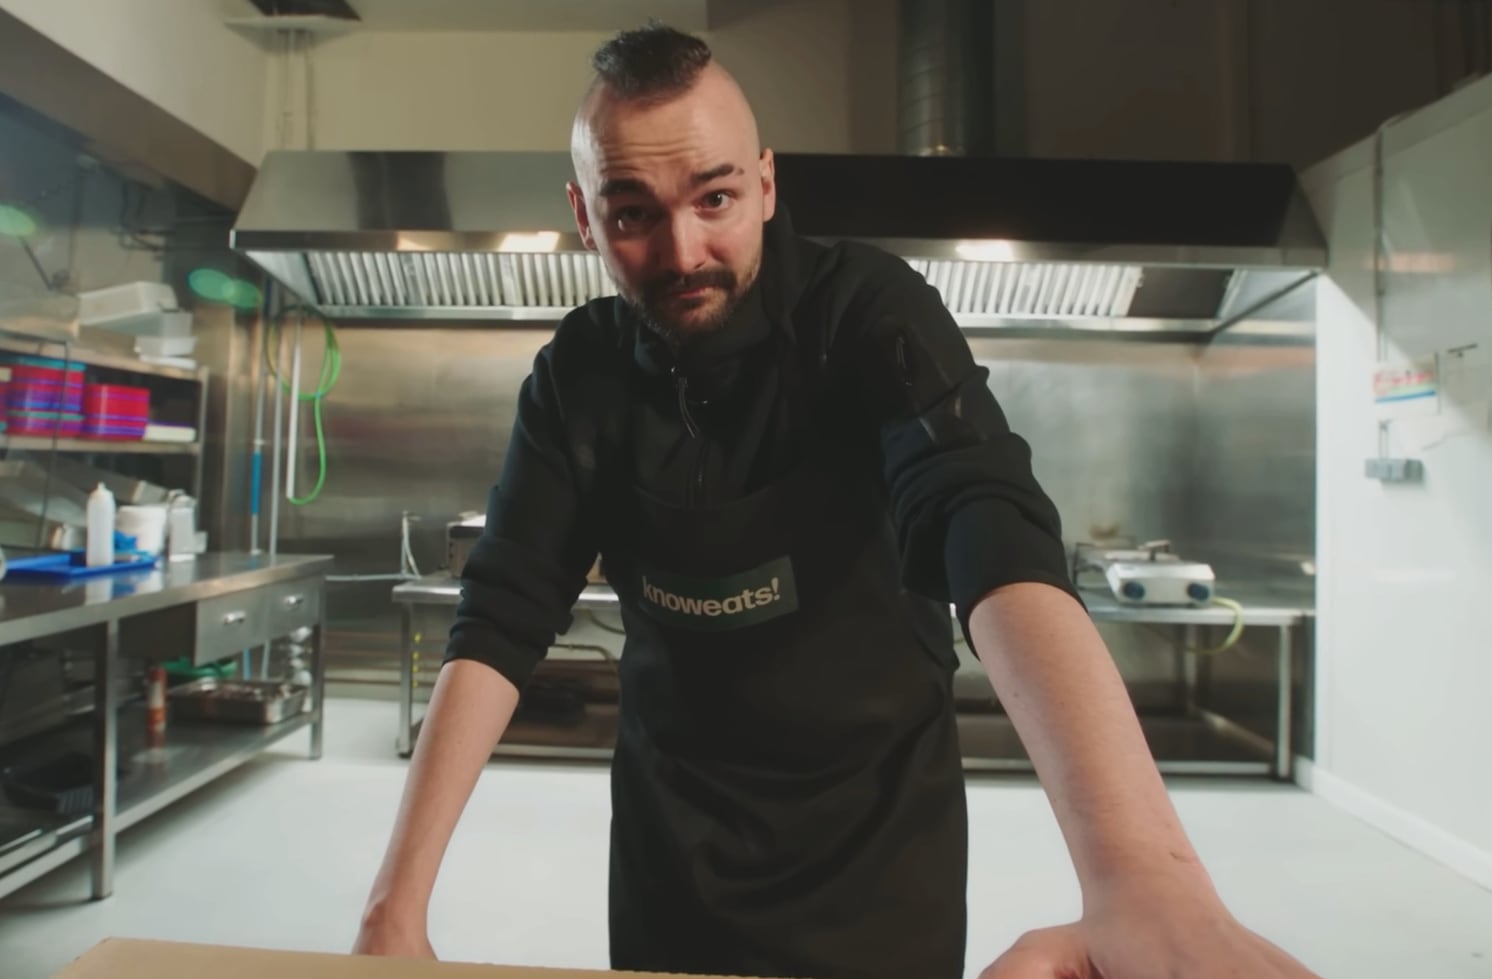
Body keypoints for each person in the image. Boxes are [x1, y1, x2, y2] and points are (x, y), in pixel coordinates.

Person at [353, 24, 1320, 979]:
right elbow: (502, 613)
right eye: (633, 213)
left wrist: (1142, 878)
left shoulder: (866, 312)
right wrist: (394, 907)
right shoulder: (581, 374)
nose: (682, 249)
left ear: (767, 184)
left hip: (876, 844)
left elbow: (983, 519)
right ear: (584, 217)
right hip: (671, 841)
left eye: (716, 198)